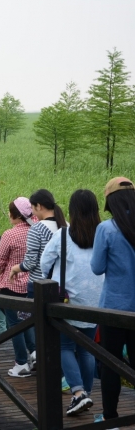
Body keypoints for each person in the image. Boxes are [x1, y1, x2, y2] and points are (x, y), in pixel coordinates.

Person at [41, 189, 103, 417]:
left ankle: (78, 392)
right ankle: (86, 393)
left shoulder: (63, 235)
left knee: (65, 347)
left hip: (68, 300)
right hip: (96, 301)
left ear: (72, 210)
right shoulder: (102, 234)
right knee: (87, 349)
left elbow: (44, 262)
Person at [90, 177, 135, 425]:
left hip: (114, 308)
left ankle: (110, 418)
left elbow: (97, 267)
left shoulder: (107, 229)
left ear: (109, 201)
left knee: (111, 364)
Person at [9, 189, 67, 372]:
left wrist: (15, 268)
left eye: (33, 208)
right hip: (61, 286)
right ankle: (55, 368)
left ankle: (42, 367)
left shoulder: (37, 229)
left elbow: (31, 262)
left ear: (39, 206)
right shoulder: (66, 226)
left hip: (39, 285)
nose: (33, 213)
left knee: (33, 325)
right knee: (56, 330)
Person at [0, 197, 35, 377]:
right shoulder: (36, 230)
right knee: (27, 320)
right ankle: (35, 354)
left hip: (12, 285)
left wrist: (0, 278)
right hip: (32, 285)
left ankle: (21, 362)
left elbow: (0, 261)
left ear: (15, 215)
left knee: (15, 325)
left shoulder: (10, 234)